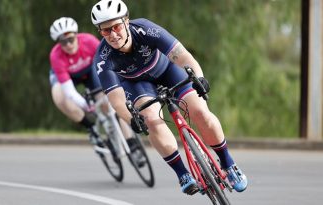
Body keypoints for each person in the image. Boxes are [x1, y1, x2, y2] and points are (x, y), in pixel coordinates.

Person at [90, 0, 248, 195]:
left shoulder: (146, 29)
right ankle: (182, 173)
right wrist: (132, 119)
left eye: (116, 26)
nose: (113, 34)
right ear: (100, 32)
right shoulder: (103, 58)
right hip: (138, 85)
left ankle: (228, 163)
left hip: (167, 70)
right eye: (106, 31)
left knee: (199, 111)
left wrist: (198, 78)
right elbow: (115, 99)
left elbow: (183, 57)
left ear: (126, 21)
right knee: (151, 120)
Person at [49, 17, 143, 161]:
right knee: (59, 97)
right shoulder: (56, 56)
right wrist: (87, 107)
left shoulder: (89, 41)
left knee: (109, 102)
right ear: (58, 43)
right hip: (69, 77)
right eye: (63, 42)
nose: (68, 45)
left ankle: (130, 141)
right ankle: (91, 128)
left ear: (76, 36)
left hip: (91, 70)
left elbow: (108, 63)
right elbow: (69, 91)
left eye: (71, 39)